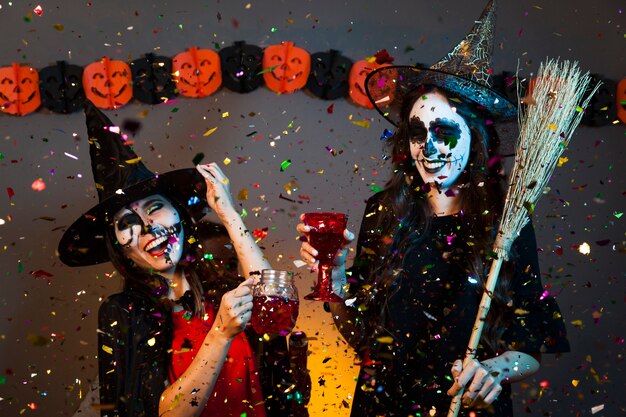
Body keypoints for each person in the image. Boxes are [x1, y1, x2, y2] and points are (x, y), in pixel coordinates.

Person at [297, 1, 570, 416]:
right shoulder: (383, 212)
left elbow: (531, 344)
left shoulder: (506, 221)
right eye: (418, 132)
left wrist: (495, 369)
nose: (430, 148)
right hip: (383, 406)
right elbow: (362, 337)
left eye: (444, 132)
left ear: (474, 139)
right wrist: (335, 284)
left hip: (469, 407)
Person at [58, 101, 279, 417]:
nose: (149, 229)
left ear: (179, 212)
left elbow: (272, 303)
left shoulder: (221, 281)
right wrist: (219, 334)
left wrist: (228, 212)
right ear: (120, 249)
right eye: (127, 225)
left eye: (154, 209)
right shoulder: (123, 313)